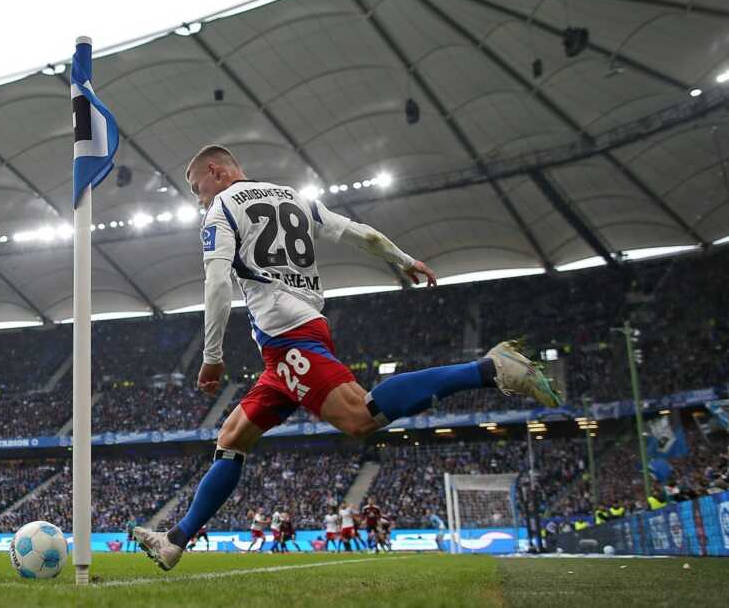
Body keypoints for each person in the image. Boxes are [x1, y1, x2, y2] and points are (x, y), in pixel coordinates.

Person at [135, 146, 560, 571]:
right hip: (296, 337)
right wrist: (405, 260)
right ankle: (176, 540)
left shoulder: (222, 209)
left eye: (197, 187)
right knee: (230, 438)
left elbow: (216, 283)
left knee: (360, 417)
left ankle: (488, 368)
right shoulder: (293, 197)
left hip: (287, 337)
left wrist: (212, 355)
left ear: (217, 171)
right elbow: (362, 234)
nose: (199, 199)